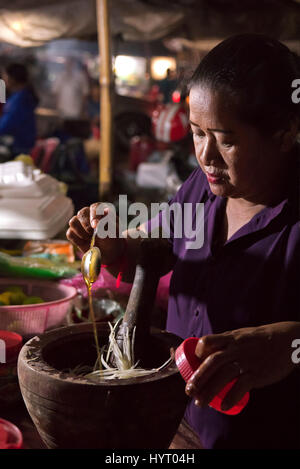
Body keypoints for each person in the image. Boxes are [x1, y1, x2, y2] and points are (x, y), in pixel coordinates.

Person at [66, 34, 300, 449]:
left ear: (285, 133)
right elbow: (156, 244)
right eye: (196, 133)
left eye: (226, 140)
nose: (206, 156)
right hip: (180, 425)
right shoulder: (202, 189)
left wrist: (284, 345)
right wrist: (114, 243)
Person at [0, 63, 38, 155]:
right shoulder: (20, 96)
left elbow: (7, 124)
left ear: (12, 79)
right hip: (20, 144)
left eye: (5, 76)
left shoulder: (21, 99)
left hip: (19, 147)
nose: (3, 80)